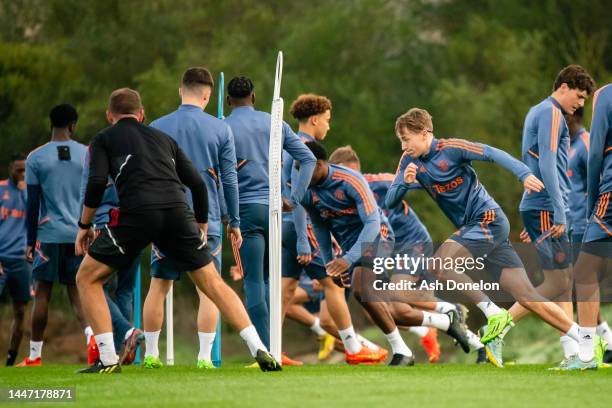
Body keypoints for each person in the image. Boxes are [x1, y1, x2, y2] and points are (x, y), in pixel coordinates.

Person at [74, 88, 279, 373]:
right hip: (178, 212)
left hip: (137, 214)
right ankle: (260, 349)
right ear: (142, 114)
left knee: (86, 278)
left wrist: (84, 225)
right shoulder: (162, 139)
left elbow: (96, 184)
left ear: (110, 116)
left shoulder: (103, 139)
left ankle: (108, 360)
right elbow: (197, 183)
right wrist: (202, 222)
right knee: (212, 284)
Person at [387, 107, 583, 368]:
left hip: (488, 219)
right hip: (476, 228)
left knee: (440, 265)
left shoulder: (452, 148)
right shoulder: (408, 162)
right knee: (528, 297)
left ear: (424, 133)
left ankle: (494, 315)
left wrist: (524, 174)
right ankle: (586, 339)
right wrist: (403, 183)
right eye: (400, 140)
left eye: (406, 139)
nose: (403, 145)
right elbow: (390, 201)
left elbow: (492, 153)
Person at [295, 142, 470, 366]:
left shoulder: (351, 180)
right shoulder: (307, 192)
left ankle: (402, 351)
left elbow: (372, 223)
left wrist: (347, 260)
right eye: (296, 169)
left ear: (318, 164)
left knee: (362, 288)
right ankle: (446, 322)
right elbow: (320, 226)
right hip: (350, 245)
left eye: (302, 168)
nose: (299, 175)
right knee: (396, 310)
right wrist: (330, 262)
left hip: (379, 236)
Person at [143, 67, 241, 369]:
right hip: (206, 218)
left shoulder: (156, 127)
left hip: (163, 217)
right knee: (208, 289)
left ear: (180, 90)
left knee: (158, 285)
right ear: (207, 95)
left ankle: (150, 355)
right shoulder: (220, 129)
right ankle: (203, 358)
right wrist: (233, 220)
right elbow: (230, 179)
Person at [280, 94, 385, 365]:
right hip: (297, 224)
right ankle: (353, 348)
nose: (329, 126)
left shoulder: (285, 144)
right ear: (314, 120)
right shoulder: (304, 149)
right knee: (333, 284)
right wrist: (304, 239)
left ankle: (271, 349)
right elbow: (301, 198)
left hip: (282, 225)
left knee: (287, 287)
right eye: (327, 120)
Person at [224, 77, 316, 352]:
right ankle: (273, 347)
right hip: (275, 211)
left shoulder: (222, 126)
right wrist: (294, 198)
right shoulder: (273, 123)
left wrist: (225, 214)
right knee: (267, 280)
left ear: (229, 100)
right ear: (253, 97)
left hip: (244, 212)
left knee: (254, 280)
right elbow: (309, 159)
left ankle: (264, 349)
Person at [512, 65, 596, 365]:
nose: (581, 104)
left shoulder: (540, 111)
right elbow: (547, 164)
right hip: (548, 206)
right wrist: (560, 212)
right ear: (564, 86)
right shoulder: (551, 113)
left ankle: (573, 353)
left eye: (585, 99)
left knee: (565, 280)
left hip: (541, 207)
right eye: (579, 95)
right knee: (559, 282)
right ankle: (499, 325)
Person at [17, 104, 90, 367]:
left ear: (52, 124)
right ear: (73, 125)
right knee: (78, 294)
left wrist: (29, 241)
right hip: (78, 234)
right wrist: (88, 227)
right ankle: (95, 343)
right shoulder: (85, 154)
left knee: (43, 294)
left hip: (47, 235)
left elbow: (33, 202)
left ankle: (35, 355)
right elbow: (91, 195)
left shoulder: (36, 157)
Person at [79, 150, 142, 365]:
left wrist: (83, 225)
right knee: (125, 290)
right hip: (135, 224)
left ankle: (126, 333)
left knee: (94, 286)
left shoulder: (96, 151)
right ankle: (124, 353)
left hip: (104, 224)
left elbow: (86, 190)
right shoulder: (141, 149)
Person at [569, 83, 612, 369]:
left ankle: (585, 355)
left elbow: (596, 152)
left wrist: (593, 203)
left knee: (584, 272)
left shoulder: (605, 94)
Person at [0, 153, 31, 366]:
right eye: (18, 169)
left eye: (24, 170)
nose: (21, 173)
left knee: (20, 310)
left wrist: (26, 193)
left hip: (21, 259)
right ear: (10, 168)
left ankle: (11, 360)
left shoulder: (30, 192)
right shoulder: (1, 189)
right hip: (1, 257)